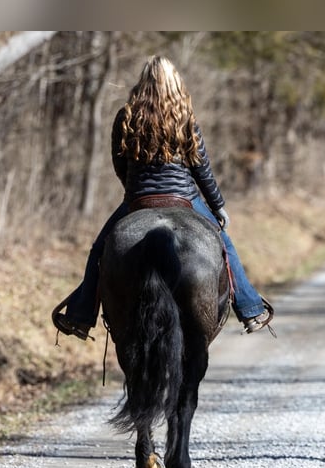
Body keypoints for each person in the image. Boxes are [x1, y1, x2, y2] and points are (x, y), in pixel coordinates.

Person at [53, 55, 272, 340]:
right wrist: (218, 206)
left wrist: (134, 193)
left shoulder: (127, 116)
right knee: (224, 244)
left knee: (99, 250)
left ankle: (81, 317)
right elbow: (201, 168)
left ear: (142, 83)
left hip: (138, 198)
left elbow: (119, 164)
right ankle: (251, 308)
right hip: (185, 197)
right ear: (174, 83)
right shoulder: (185, 118)